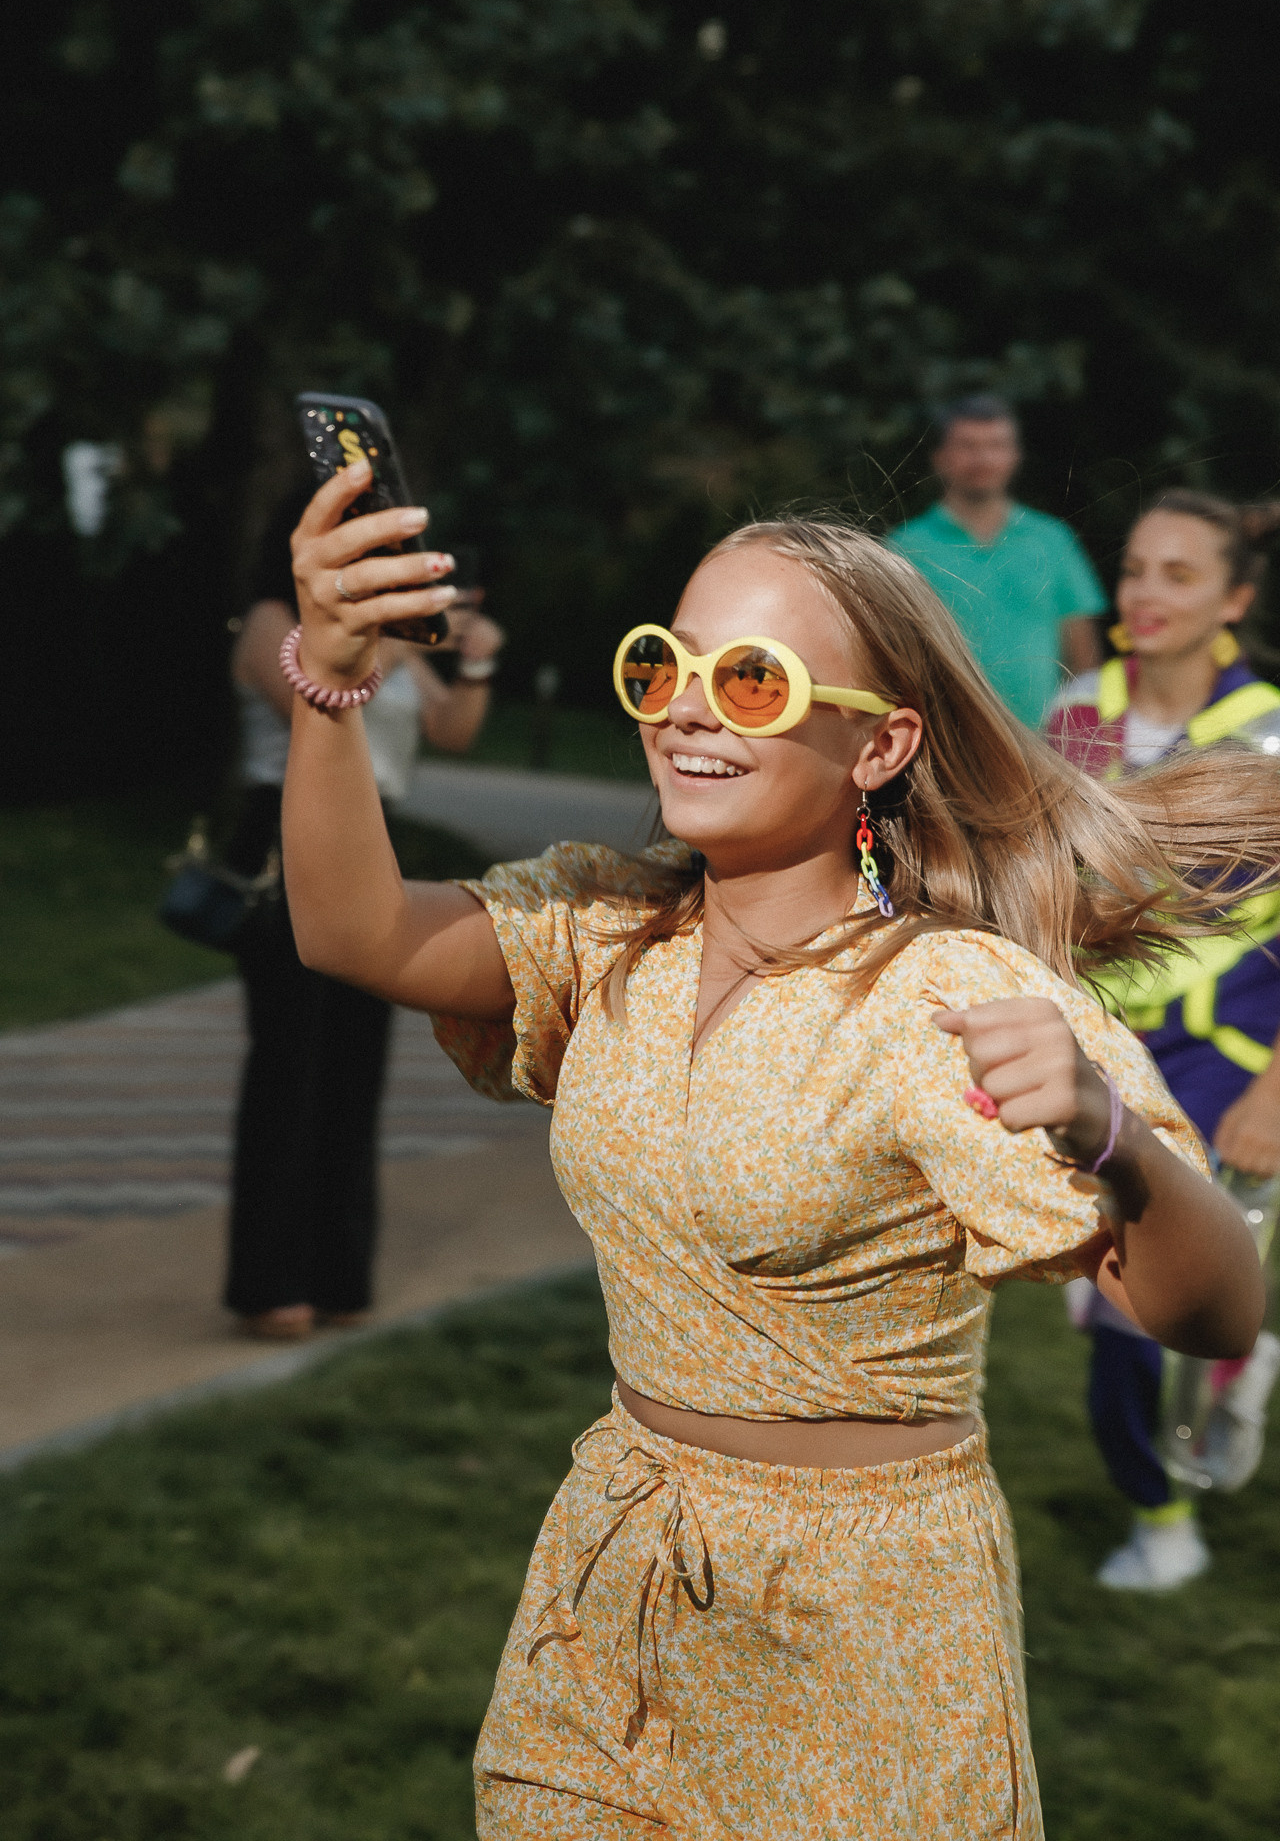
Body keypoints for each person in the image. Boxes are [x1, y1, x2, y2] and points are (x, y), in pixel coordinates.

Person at [278, 456, 1269, 1839]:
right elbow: (354, 932)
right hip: (614, 1587)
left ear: (878, 746)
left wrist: (1118, 1144)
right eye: (662, 665)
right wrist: (330, 681)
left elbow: (1213, 1312)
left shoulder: (942, 998)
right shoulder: (607, 933)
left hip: (866, 1633)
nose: (686, 706)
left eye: (750, 680)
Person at [1047, 489, 1280, 1589]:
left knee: (1134, 1313)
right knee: (1098, 1292)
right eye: (1135, 568)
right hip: (1086, 1050)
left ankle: (1163, 1522)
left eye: (1178, 575)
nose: (1143, 593)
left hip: (1219, 1060)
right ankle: (1239, 1359)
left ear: (1234, 599)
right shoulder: (1076, 714)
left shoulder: (1269, 732)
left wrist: (1276, 1088)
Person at [224, 492, 505, 1339]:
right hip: (286, 837)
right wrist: (401, 636)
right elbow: (316, 700)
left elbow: (453, 731)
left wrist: (475, 661)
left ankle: (339, 1276)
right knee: (289, 1062)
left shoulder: (393, 640)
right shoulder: (273, 620)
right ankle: (269, 1284)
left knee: (355, 1062)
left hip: (371, 841)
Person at [888, 394, 1106, 726]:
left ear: (1015, 456)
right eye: (968, 446)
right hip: (943, 742)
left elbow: (1084, 659)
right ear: (940, 457)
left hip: (1044, 746)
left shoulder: (1052, 539)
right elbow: (889, 658)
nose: (984, 458)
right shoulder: (903, 548)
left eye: (996, 445)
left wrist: (1083, 737)